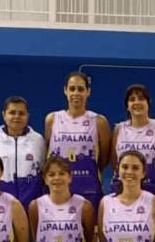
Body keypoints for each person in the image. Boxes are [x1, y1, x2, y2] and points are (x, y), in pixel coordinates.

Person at [45, 71, 111, 212]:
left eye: (80, 89)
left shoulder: (99, 121)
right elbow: (49, 154)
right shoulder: (52, 119)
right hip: (58, 190)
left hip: (89, 189)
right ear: (65, 90)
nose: (76, 93)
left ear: (88, 92)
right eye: (72, 89)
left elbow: (104, 159)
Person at [0, 96, 46, 212]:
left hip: (31, 205)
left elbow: (43, 169)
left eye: (21, 113)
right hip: (0, 205)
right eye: (12, 113)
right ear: (4, 115)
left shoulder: (38, 140)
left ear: (27, 116)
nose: (17, 116)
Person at [110, 83, 155, 200]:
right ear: (127, 106)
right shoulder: (119, 129)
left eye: (141, 98)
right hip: (122, 192)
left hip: (153, 192)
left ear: (148, 103)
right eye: (132, 99)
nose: (137, 102)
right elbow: (114, 162)